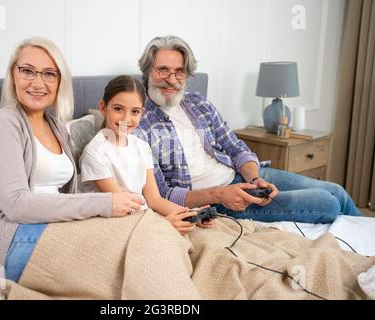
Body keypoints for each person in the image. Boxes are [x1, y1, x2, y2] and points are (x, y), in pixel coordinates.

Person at [0, 37, 144, 293]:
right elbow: (15, 205)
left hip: (53, 224)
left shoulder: (55, 125)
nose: (37, 83)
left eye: (49, 74)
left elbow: (69, 194)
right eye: (27, 71)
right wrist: (104, 204)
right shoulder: (4, 123)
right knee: (105, 267)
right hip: (6, 233)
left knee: (136, 241)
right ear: (13, 75)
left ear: (59, 82)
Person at [133, 35, 362, 224]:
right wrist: (219, 195)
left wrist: (254, 179)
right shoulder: (137, 121)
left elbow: (235, 147)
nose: (171, 79)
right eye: (162, 70)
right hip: (215, 199)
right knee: (327, 203)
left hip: (242, 176)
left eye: (179, 71)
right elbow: (162, 194)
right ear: (147, 71)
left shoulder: (198, 103)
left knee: (337, 191)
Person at [80, 75, 213, 235]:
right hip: (115, 223)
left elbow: (154, 200)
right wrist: (162, 224)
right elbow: (121, 206)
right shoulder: (95, 152)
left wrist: (189, 214)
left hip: (142, 218)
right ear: (103, 107)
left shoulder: (141, 146)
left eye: (134, 112)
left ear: (142, 113)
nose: (126, 119)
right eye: (118, 109)